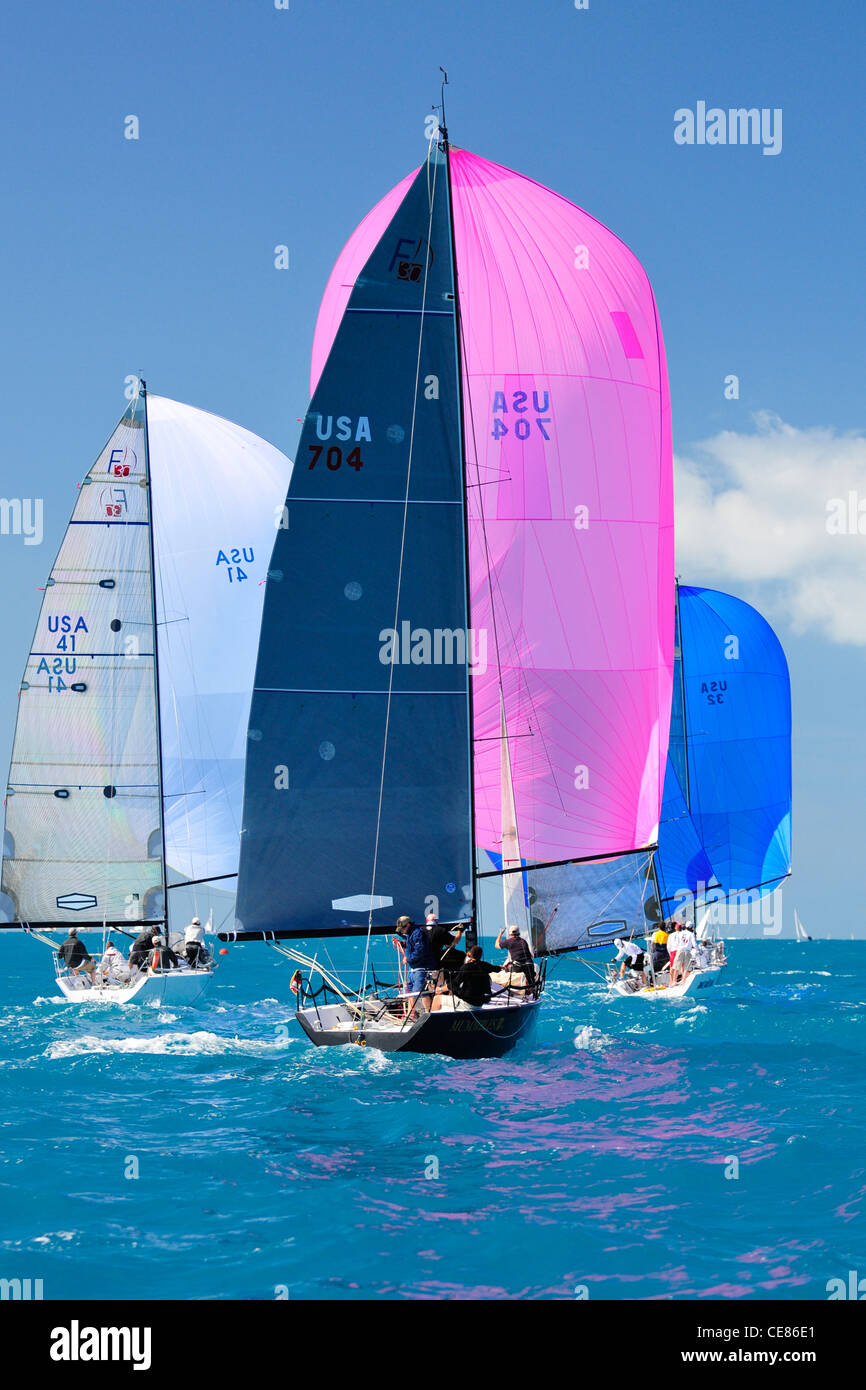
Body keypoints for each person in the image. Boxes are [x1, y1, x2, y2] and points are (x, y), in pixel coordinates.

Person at [395, 915, 436, 1014]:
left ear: (408, 925)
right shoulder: (410, 934)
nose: (401, 931)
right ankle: (410, 1015)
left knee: (421, 993)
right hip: (414, 969)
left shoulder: (418, 933)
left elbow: (420, 951)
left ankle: (428, 1014)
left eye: (402, 929)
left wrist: (408, 958)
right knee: (410, 993)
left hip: (421, 968)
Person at [425, 915, 465, 987]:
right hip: (434, 965)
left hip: (421, 966)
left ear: (426, 920)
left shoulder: (419, 930)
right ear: (436, 921)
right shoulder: (440, 930)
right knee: (436, 988)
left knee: (425, 991)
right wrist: (460, 930)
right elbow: (455, 941)